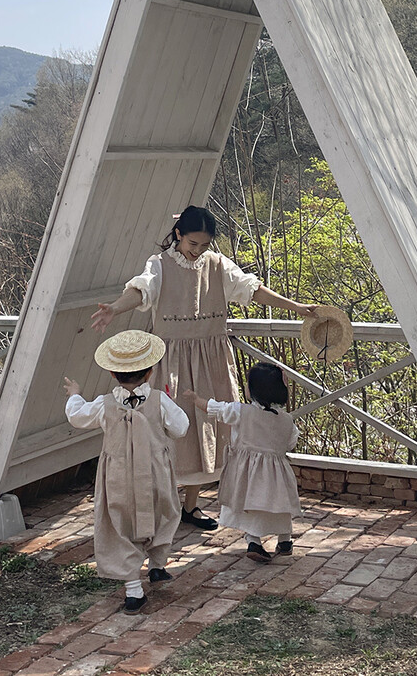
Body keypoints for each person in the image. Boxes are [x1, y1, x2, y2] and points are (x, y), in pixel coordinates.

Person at [90, 205, 315, 530]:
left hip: (211, 361)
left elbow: (252, 290)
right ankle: (160, 508)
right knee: (167, 432)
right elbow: (140, 291)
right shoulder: (160, 264)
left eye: (204, 245)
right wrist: (114, 308)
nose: (197, 250)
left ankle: (190, 506)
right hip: (172, 362)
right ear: (178, 234)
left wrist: (296, 307)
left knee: (207, 433)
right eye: (192, 243)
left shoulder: (218, 265)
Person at [63, 329, 189, 614]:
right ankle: (157, 566)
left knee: (120, 525)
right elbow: (181, 427)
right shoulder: (159, 400)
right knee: (163, 513)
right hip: (156, 473)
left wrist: (75, 395)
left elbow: (77, 416)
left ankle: (134, 591)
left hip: (117, 476)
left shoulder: (104, 404)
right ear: (150, 371)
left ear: (112, 373)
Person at [185, 361, 301, 562]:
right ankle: (285, 540)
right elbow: (290, 442)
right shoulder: (286, 419)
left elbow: (215, 409)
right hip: (277, 475)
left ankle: (254, 540)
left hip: (247, 472)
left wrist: (195, 399)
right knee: (279, 506)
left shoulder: (241, 411)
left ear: (255, 390)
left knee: (250, 505)